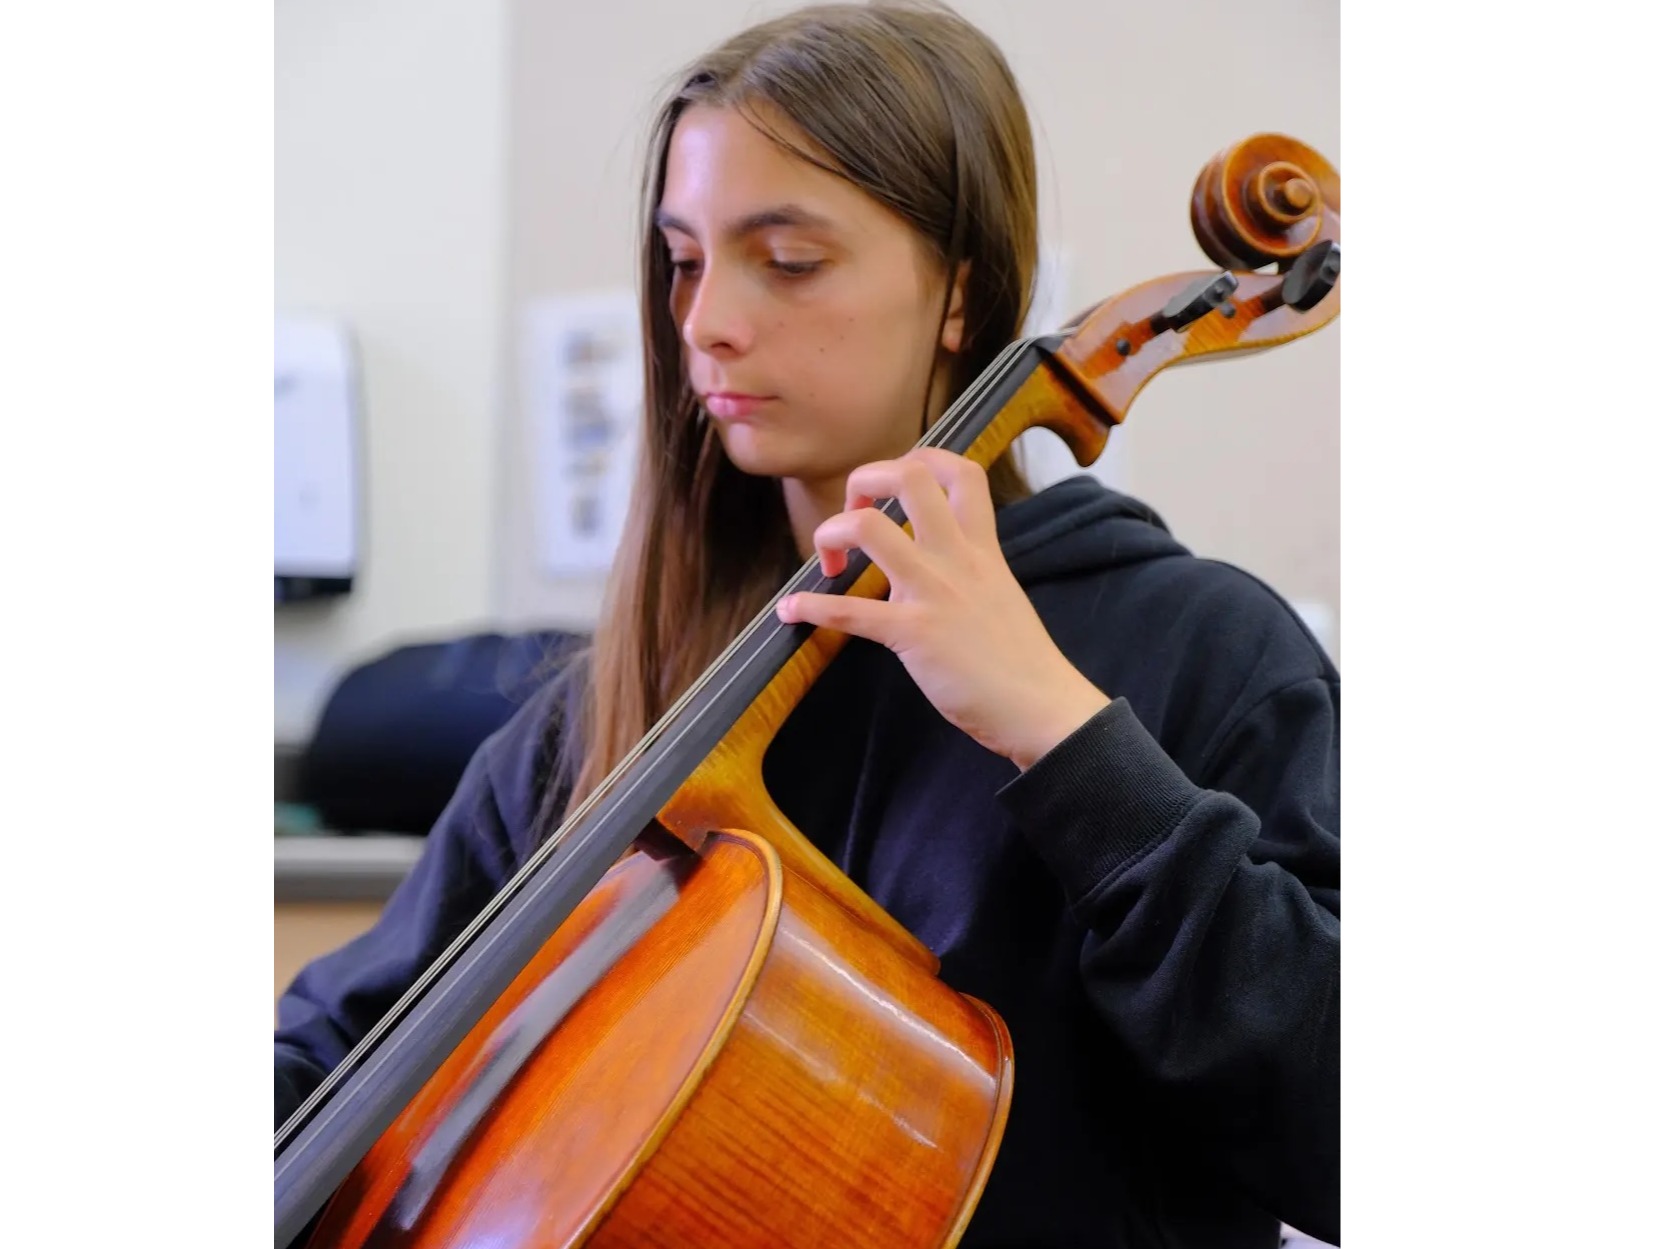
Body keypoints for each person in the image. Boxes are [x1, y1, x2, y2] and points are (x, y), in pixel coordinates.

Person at [274, 2, 1341, 1245]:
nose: (706, 321)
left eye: (786, 260)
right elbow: (337, 1047)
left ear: (961, 291)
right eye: (683, 259)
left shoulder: (1206, 651)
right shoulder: (628, 704)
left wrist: (1064, 736)